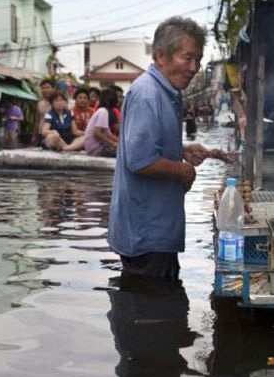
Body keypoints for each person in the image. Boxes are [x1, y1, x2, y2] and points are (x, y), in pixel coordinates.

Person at [108, 16, 219, 283]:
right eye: (187, 58)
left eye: (198, 60)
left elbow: (147, 145)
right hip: (147, 234)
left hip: (157, 230)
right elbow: (140, 161)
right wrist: (183, 170)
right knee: (150, 312)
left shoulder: (166, 91)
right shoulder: (148, 93)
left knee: (159, 308)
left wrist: (181, 150)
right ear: (160, 55)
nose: (194, 68)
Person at [84, 87, 119, 157]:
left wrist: (120, 141)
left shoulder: (103, 111)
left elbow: (109, 134)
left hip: (96, 148)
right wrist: (113, 144)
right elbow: (97, 133)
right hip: (96, 149)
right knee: (122, 155)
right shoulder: (103, 112)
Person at [33, 79, 55, 145]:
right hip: (40, 134)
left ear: (53, 89)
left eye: (48, 88)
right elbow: (37, 121)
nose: (45, 90)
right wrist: (34, 136)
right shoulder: (39, 104)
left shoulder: (58, 102)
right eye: (43, 88)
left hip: (52, 134)